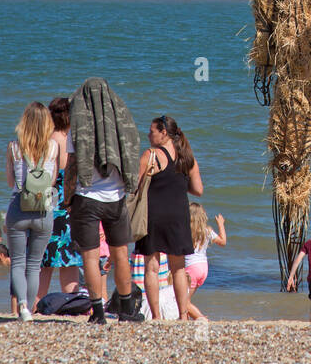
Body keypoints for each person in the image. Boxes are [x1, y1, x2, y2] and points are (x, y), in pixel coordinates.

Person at [66, 78, 144, 324]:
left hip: (87, 197)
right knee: (120, 254)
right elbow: (131, 154)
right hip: (116, 198)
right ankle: (127, 311)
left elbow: (71, 167)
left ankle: (98, 313)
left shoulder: (77, 127)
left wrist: (68, 198)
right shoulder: (121, 125)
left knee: (89, 257)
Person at [135, 115, 203, 320]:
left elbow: (135, 187)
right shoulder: (187, 157)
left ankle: (156, 317)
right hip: (178, 216)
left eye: (152, 131)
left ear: (164, 132)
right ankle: (183, 316)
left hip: (154, 215)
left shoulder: (152, 155)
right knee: (179, 268)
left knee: (152, 267)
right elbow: (198, 190)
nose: (148, 135)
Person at [4, 101, 62, 320]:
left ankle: (23, 306)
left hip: (18, 208)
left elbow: (11, 182)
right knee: (34, 264)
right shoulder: (53, 147)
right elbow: (53, 179)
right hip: (43, 210)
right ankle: (30, 309)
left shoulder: (13, 147)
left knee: (17, 261)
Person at [38, 97, 82, 298]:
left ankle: (35, 302)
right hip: (70, 203)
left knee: (45, 259)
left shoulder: (48, 140)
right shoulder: (71, 140)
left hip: (51, 201)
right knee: (69, 258)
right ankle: (70, 302)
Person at [184, 202, 226, 320]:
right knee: (187, 299)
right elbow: (223, 242)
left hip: (191, 269)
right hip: (203, 269)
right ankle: (186, 321)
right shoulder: (207, 231)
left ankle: (202, 319)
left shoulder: (186, 231)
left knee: (183, 302)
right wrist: (221, 224)